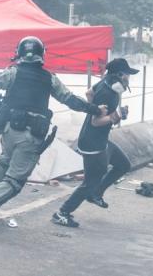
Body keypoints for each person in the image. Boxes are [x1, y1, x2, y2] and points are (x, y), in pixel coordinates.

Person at [0, 36, 108, 233]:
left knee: (4, 163)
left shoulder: (12, 73)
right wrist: (95, 110)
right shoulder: (49, 78)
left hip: (8, 132)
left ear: (19, 54)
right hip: (30, 137)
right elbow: (70, 100)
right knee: (15, 181)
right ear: (42, 55)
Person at [52, 58, 138, 228]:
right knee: (90, 182)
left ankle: (96, 194)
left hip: (101, 140)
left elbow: (89, 93)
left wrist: (95, 108)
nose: (130, 77)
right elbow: (95, 122)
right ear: (120, 75)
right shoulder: (109, 93)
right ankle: (61, 213)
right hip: (93, 144)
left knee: (123, 165)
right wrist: (116, 116)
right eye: (128, 74)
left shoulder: (104, 83)